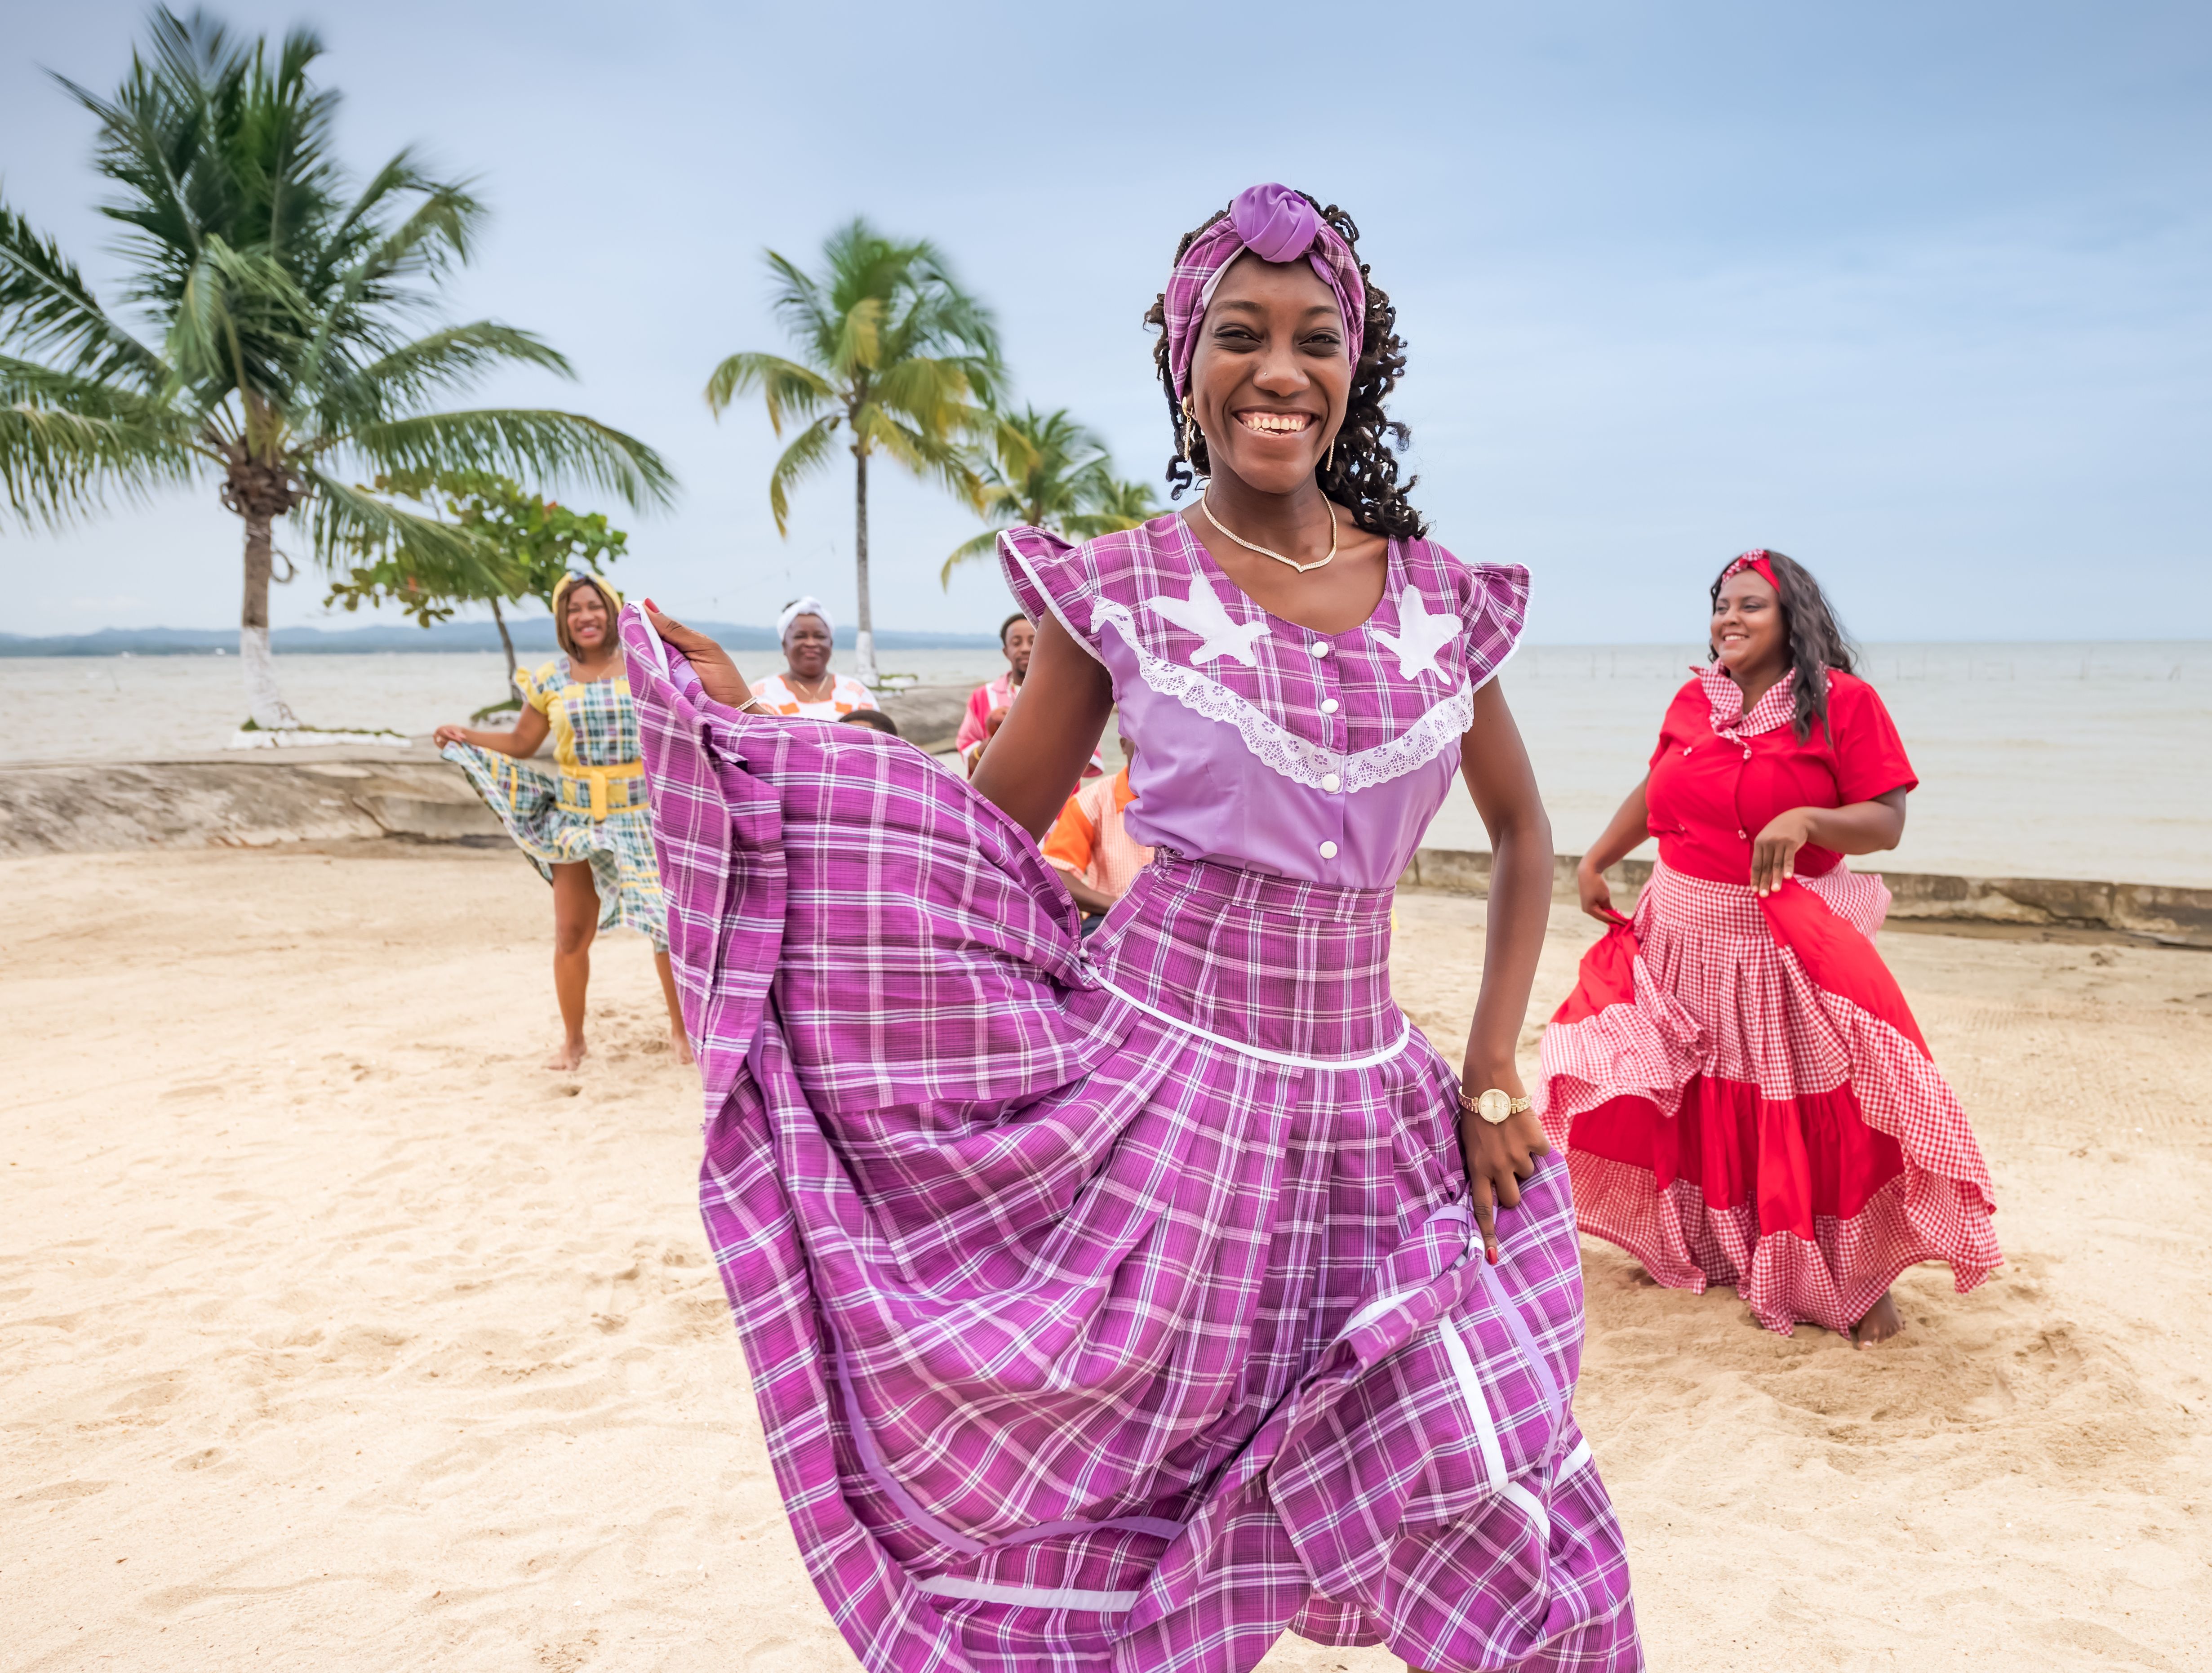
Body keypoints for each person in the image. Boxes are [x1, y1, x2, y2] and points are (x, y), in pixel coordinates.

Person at [627, 183, 1639, 1673]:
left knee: (1493, 1483)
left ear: (1355, 366)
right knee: (1127, 1511)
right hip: (1157, 1113)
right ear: (1185, 365)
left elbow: (1524, 831)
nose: (1277, 371)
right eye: (1239, 336)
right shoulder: (1119, 588)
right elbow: (971, 838)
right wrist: (757, 754)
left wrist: (1492, 1068)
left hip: (1374, 1122)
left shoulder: (1438, 602)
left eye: (1313, 339)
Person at [1537, 550, 1999, 1347]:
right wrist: (1596, 857)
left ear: (1792, 618)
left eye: (1751, 604)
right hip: (1679, 931)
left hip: (1774, 941)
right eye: (1722, 604)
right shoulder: (1695, 698)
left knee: (1815, 1103)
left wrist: (1807, 820)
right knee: (1693, 1097)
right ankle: (1712, 1244)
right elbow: (1658, 784)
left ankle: (1854, 1275)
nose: (1730, 617)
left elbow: (1886, 821)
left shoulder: (1844, 703)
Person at [433, 574, 692, 1070]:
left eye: (594, 606)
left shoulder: (645, 668)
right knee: (571, 934)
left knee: (665, 927)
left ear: (612, 612)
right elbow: (521, 743)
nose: (585, 616)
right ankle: (573, 1042)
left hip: (642, 818)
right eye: (574, 609)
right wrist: (466, 735)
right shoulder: (550, 679)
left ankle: (681, 1031)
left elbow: (680, 727)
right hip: (574, 819)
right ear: (562, 620)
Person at [1040, 734, 1149, 932]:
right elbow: (1054, 874)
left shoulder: (1190, 802)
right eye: (1142, 736)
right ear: (1123, 744)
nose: (1152, 745)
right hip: (1109, 916)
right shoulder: (1090, 802)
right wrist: (1124, 905)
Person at [748, 595, 882, 718]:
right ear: (784, 646)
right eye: (800, 636)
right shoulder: (760, 695)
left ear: (831, 644)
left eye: (820, 636)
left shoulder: (857, 693)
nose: (811, 643)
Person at [954, 613, 1033, 770]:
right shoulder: (982, 696)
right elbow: (969, 758)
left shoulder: (1062, 695)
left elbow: (1082, 760)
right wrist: (992, 742)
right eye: (1016, 643)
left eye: (1034, 641)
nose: (1025, 649)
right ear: (1006, 651)